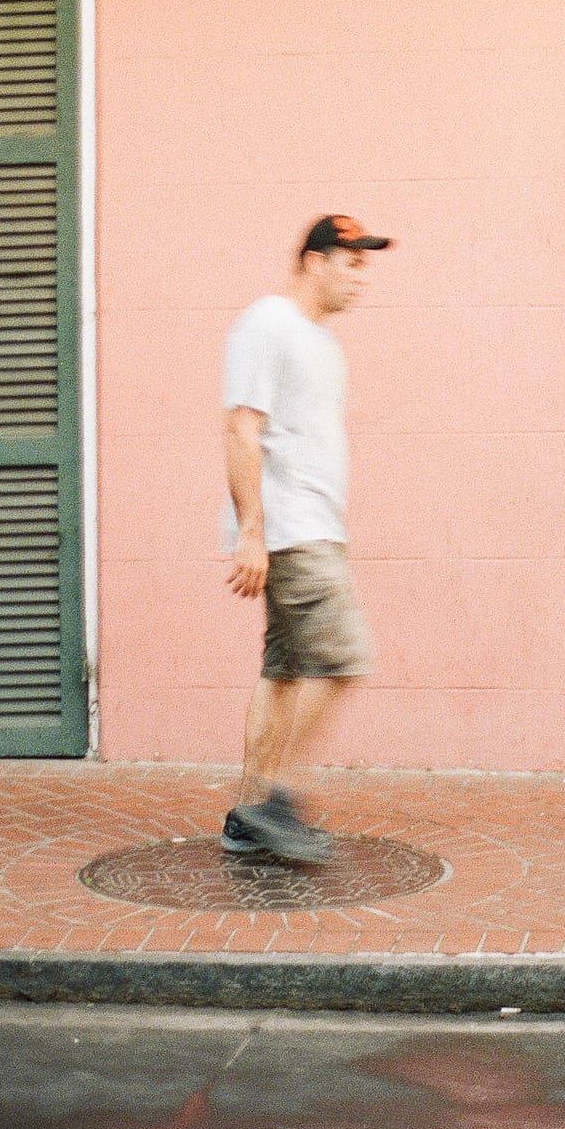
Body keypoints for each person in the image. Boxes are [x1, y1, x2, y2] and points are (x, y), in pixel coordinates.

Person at [220, 212, 390, 864]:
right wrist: (251, 534)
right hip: (292, 531)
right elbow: (241, 428)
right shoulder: (268, 324)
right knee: (343, 657)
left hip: (312, 527)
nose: (360, 279)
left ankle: (246, 813)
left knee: (284, 673)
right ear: (316, 262)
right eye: (351, 264)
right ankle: (275, 801)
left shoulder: (320, 343)